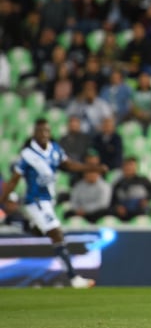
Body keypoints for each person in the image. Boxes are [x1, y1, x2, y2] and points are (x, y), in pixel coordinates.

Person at [0, 119, 106, 288]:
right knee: (57, 234)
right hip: (35, 201)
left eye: (46, 131)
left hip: (49, 201)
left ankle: (21, 223)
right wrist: (2, 199)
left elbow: (69, 165)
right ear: (34, 133)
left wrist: (92, 168)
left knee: (41, 232)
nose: (44, 134)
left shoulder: (55, 149)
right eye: (40, 131)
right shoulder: (28, 154)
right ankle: (73, 278)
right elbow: (14, 180)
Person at [65, 155, 112, 224]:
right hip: (80, 212)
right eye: (88, 172)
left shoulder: (104, 186)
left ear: (98, 173)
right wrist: (78, 210)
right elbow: (73, 201)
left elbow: (102, 204)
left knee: (105, 212)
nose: (90, 175)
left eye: (93, 172)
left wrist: (86, 210)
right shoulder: (78, 186)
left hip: (95, 212)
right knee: (68, 214)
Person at [110, 157, 151, 222]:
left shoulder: (142, 180)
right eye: (127, 165)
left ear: (136, 167)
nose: (129, 168)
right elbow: (113, 199)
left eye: (131, 165)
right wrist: (118, 207)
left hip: (139, 207)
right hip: (124, 209)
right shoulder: (118, 183)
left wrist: (146, 199)